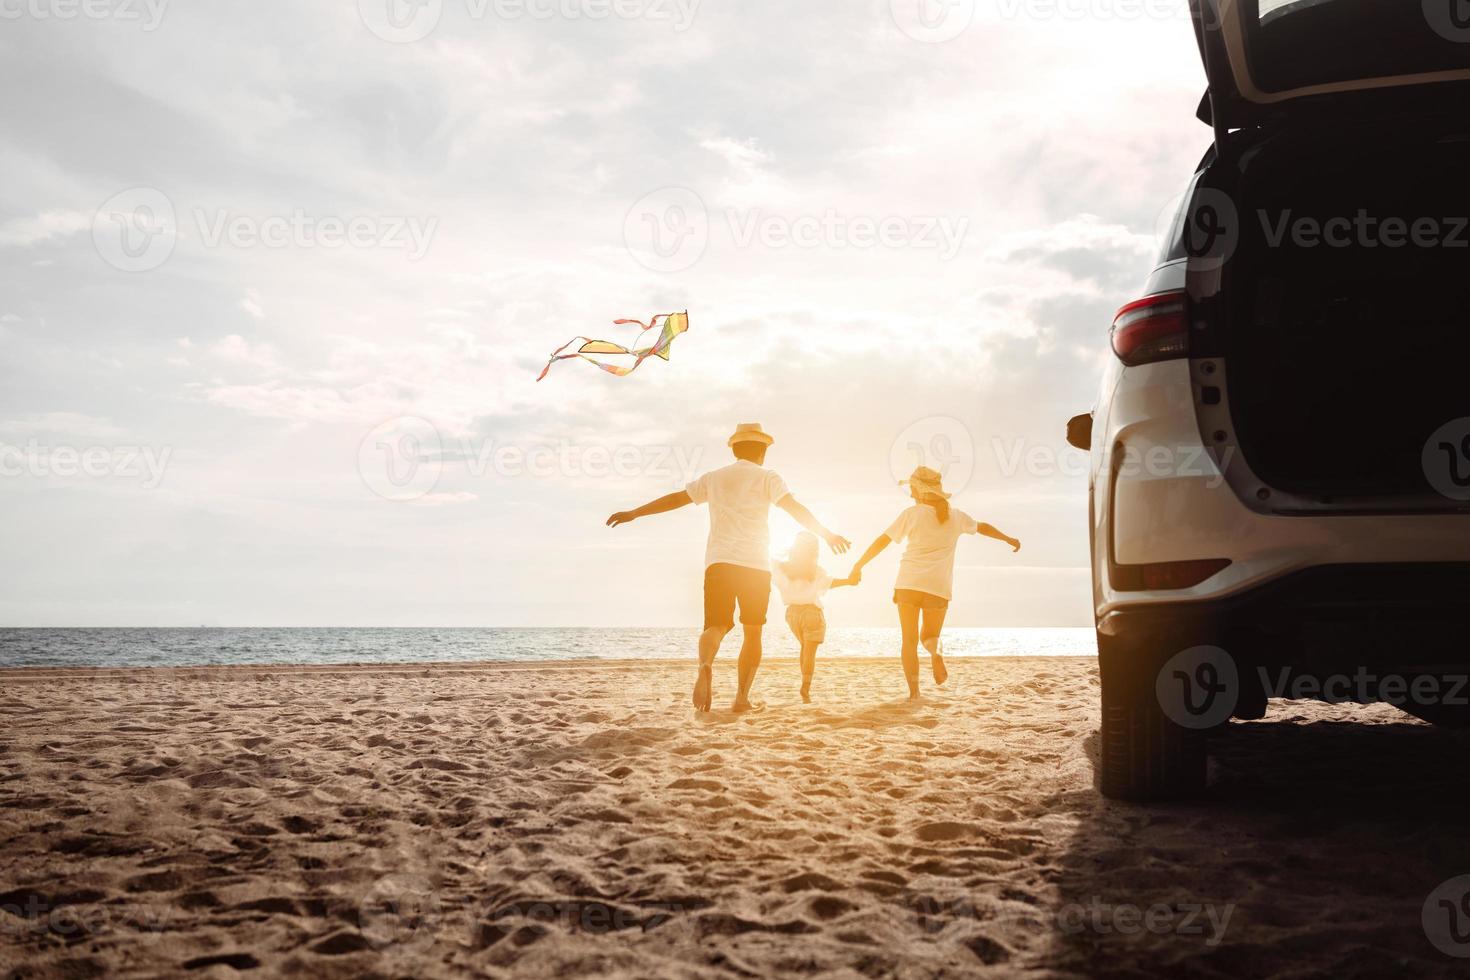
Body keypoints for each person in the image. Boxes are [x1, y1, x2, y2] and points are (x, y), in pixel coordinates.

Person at [606, 423, 850, 712]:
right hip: (755, 565)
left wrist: (634, 513)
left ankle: (706, 664)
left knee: (716, 625)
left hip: (719, 562)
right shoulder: (767, 477)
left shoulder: (715, 478)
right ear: (763, 451)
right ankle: (741, 698)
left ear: (734, 449)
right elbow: (794, 508)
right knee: (752, 631)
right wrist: (827, 534)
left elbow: (677, 499)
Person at [848, 466, 1020, 700]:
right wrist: (1007, 538)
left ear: (919, 490)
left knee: (908, 641)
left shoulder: (912, 513)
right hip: (938, 588)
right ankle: (936, 654)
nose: (910, 494)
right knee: (930, 638)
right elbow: (983, 528)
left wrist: (859, 564)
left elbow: (883, 541)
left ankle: (915, 693)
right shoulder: (956, 516)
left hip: (908, 584)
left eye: (911, 489)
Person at [773, 531, 858, 703]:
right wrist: (849, 581)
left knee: (804, 649)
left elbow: (770, 566)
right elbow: (830, 583)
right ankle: (806, 687)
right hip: (811, 612)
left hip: (791, 615)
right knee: (809, 652)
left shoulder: (782, 569)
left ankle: (804, 683)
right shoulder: (815, 571)